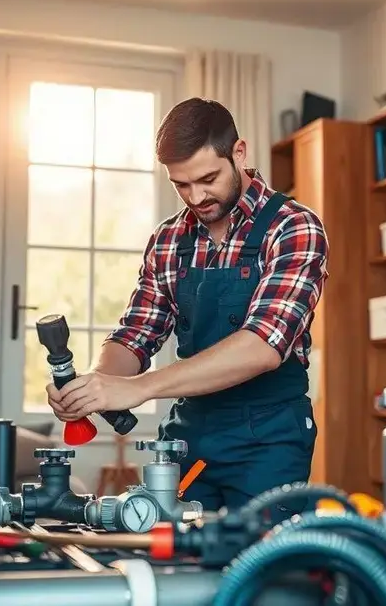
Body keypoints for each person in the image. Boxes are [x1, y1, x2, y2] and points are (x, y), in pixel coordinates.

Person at [47, 97, 329, 516]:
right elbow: (136, 334)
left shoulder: (293, 227)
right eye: (181, 184)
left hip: (268, 439)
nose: (196, 196)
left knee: (254, 566)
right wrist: (95, 386)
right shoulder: (169, 239)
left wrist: (139, 388)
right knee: (174, 559)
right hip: (191, 435)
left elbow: (262, 346)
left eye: (208, 178)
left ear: (239, 153)